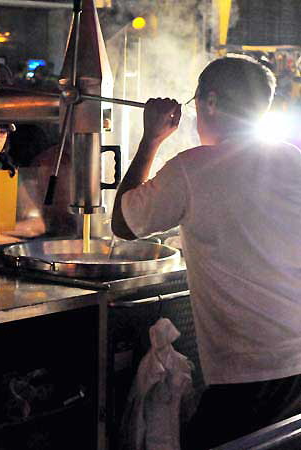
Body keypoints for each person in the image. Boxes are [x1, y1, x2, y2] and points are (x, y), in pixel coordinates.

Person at [111, 55, 301, 448]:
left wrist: (151, 139)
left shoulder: (191, 168)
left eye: (197, 104)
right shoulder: (293, 158)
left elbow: (123, 223)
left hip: (250, 370)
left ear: (210, 102)